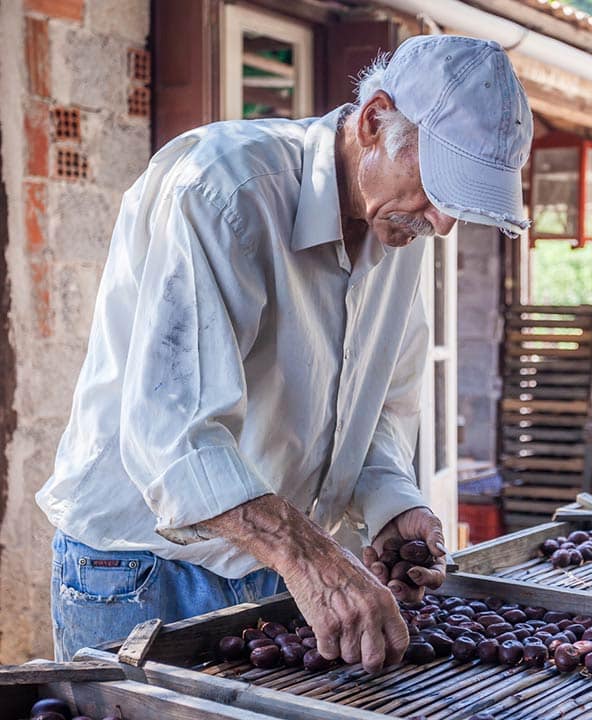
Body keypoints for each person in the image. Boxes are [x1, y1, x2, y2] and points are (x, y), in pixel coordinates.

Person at [36, 34, 533, 670]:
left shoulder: (399, 230)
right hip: (141, 567)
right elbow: (173, 436)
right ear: (374, 120)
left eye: (457, 204)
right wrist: (314, 558)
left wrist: (392, 502)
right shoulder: (221, 190)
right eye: (436, 189)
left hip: (276, 563)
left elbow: (379, 409)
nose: (441, 223)